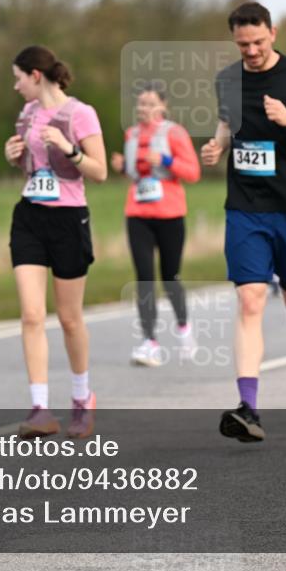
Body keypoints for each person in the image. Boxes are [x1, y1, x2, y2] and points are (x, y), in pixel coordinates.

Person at [200, 2, 286, 443]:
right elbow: (228, 125)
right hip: (246, 208)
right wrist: (218, 146)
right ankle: (249, 407)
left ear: (273, 33)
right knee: (250, 299)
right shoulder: (227, 80)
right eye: (243, 44)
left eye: (258, 42)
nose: (252, 51)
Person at [4, 45, 107, 439]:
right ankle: (40, 409)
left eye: (18, 78)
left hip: (68, 220)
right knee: (32, 315)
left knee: (68, 318)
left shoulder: (80, 113)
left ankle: (82, 398)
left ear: (35, 75)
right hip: (30, 217)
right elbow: (30, 165)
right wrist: (13, 155)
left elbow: (99, 171)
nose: (15, 86)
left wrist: (69, 149)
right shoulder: (27, 114)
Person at [110, 84, 201, 367]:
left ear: (163, 106)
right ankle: (150, 342)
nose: (144, 109)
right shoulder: (131, 134)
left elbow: (193, 173)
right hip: (138, 213)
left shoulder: (175, 133)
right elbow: (136, 173)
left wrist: (165, 159)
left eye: (150, 103)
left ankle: (184, 329)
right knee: (144, 277)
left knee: (170, 277)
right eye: (141, 104)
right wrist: (123, 167)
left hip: (170, 214)